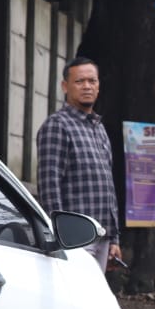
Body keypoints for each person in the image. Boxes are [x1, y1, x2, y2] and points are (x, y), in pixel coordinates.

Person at [36, 57, 122, 271]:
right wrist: (61, 236)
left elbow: (108, 187)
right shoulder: (57, 126)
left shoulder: (98, 127)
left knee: (94, 293)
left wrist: (114, 238)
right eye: (79, 81)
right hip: (75, 238)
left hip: (102, 235)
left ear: (98, 86)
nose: (87, 86)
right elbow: (49, 186)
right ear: (65, 86)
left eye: (92, 81)